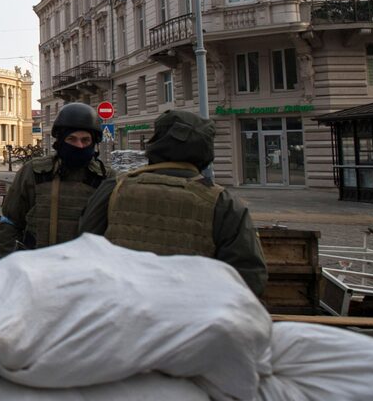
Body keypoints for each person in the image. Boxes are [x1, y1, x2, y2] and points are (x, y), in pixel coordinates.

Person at [79, 110, 267, 296]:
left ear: (155, 144)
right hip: (190, 320)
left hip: (120, 313)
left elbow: (83, 249)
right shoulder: (224, 203)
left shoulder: (114, 188)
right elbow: (249, 278)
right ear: (206, 152)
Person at [0, 103, 113, 259]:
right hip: (37, 268)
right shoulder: (33, 172)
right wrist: (8, 265)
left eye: (85, 140)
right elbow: (10, 223)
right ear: (61, 140)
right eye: (72, 139)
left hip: (86, 271)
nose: (79, 145)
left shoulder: (106, 179)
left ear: (94, 142)